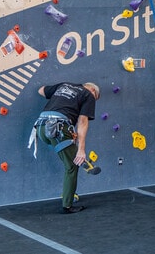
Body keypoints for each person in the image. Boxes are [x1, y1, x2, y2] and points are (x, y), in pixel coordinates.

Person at [29, 82, 100, 214]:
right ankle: (67, 205)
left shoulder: (64, 85)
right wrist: (81, 149)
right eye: (95, 97)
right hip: (57, 127)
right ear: (92, 89)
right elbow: (83, 122)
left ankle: (76, 163)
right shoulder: (88, 95)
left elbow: (41, 90)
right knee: (72, 166)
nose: (93, 100)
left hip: (41, 128)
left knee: (66, 153)